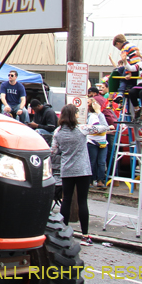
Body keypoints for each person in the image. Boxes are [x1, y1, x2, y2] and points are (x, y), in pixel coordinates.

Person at [51, 100, 108, 246]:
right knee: (83, 201)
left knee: (66, 200)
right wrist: (98, 113)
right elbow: (104, 128)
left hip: (67, 169)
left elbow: (54, 151)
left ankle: (63, 232)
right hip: (83, 170)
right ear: (74, 116)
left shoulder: (57, 133)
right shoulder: (82, 129)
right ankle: (85, 235)